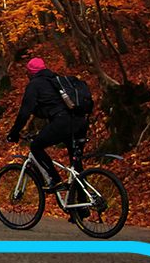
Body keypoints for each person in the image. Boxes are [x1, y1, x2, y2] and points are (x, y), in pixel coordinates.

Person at [6, 57, 90, 190]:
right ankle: (82, 206)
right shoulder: (57, 80)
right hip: (80, 122)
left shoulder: (35, 84)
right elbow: (51, 108)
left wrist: (14, 132)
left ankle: (55, 180)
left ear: (30, 73)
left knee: (36, 146)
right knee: (76, 165)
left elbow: (24, 112)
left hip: (63, 123)